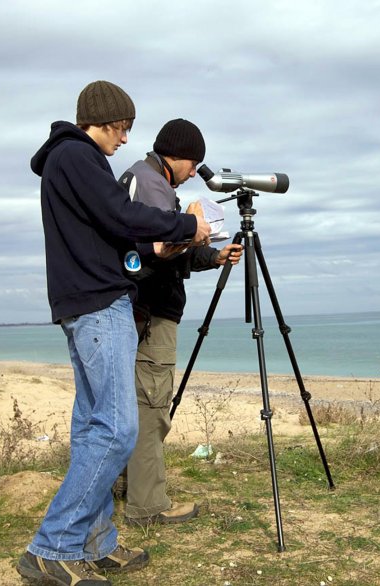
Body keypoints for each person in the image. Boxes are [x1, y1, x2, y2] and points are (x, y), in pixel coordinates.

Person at [16, 83, 211, 586]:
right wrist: (185, 226)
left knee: (91, 428)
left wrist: (155, 252)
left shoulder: (70, 161)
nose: (126, 139)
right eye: (122, 128)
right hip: (99, 306)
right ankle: (53, 546)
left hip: (88, 301)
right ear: (100, 121)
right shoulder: (78, 157)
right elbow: (122, 215)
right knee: (120, 428)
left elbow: (110, 234)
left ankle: (96, 542)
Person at [117, 119, 243, 527]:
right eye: (194, 164)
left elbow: (163, 252)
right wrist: (191, 228)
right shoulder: (152, 185)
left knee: (131, 405)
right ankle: (148, 505)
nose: (194, 173)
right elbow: (157, 251)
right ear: (178, 155)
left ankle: (125, 489)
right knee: (152, 407)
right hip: (150, 315)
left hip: (135, 311)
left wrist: (213, 256)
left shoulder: (143, 179)